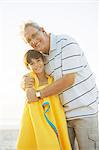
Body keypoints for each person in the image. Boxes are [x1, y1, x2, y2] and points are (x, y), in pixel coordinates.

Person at [21, 21, 99, 150]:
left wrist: (38, 94)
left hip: (85, 113)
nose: (33, 41)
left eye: (34, 35)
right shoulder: (43, 57)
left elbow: (68, 79)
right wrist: (24, 82)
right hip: (63, 118)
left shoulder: (66, 43)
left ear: (43, 30)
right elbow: (36, 74)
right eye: (29, 40)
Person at [17, 50, 71, 150]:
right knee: (45, 143)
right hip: (36, 119)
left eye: (38, 60)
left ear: (43, 61)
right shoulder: (29, 79)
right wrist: (24, 84)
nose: (36, 65)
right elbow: (28, 93)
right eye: (32, 63)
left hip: (55, 116)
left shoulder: (52, 79)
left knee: (57, 142)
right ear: (28, 66)